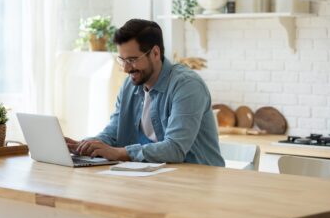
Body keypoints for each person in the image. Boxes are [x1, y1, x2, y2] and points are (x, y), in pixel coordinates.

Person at [66, 19, 224, 166]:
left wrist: (117, 153)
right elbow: (114, 132)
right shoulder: (130, 85)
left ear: (155, 53)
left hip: (199, 181)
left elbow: (174, 149)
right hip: (157, 177)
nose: (126, 69)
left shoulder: (187, 85)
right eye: (122, 60)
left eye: (132, 60)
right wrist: (85, 145)